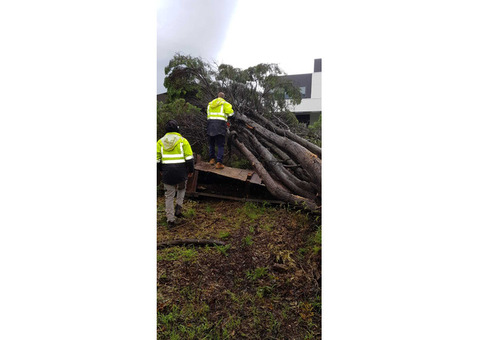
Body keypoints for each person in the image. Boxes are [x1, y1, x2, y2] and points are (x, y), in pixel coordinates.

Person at [157, 120, 194, 228]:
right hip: (181, 171)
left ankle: (170, 220)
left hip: (167, 171)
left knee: (169, 195)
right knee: (181, 188)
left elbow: (157, 159)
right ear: (177, 129)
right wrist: (191, 170)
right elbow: (189, 158)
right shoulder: (183, 141)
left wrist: (161, 170)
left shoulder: (160, 142)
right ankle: (179, 206)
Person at [206, 92, 234, 169]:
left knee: (211, 143)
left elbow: (208, 115)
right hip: (220, 126)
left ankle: (212, 159)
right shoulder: (225, 104)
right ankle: (219, 163)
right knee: (220, 145)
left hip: (210, 125)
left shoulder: (210, 104)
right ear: (223, 97)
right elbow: (231, 114)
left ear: (217, 96)